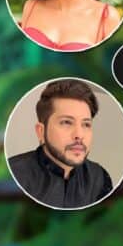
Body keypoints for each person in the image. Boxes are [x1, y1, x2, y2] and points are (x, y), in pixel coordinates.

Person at [8, 79, 112, 209]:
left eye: (86, 124)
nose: (79, 135)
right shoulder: (14, 175)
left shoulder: (99, 178)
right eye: (66, 122)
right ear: (41, 131)